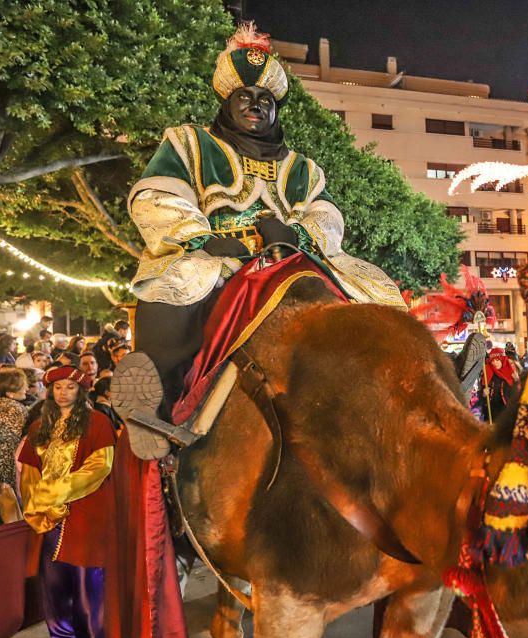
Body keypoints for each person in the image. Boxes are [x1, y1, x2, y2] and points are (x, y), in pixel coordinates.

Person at [115, 23, 405, 454]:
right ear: (227, 103)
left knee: (376, 296)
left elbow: (326, 214)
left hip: (289, 257)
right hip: (217, 259)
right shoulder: (190, 144)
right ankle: (156, 413)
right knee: (170, 298)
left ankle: (408, 383)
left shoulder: (303, 167)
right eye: (245, 97)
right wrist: (201, 238)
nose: (255, 106)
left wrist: (297, 235)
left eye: (265, 99)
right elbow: (156, 195)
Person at [18, 366, 115, 638]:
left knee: (90, 581)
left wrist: (55, 494)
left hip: (87, 510)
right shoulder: (38, 427)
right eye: (58, 387)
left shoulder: (98, 422)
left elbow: (100, 467)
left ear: (81, 391)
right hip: (48, 517)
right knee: (55, 584)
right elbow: (30, 473)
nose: (63, 393)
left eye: (70, 387)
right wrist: (37, 506)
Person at [0, 368, 30, 487]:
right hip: (10, 464)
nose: (27, 389)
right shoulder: (15, 409)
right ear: (10, 393)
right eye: (22, 386)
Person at [480, 347, 518, 421]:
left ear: (503, 359)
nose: (495, 363)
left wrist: (517, 382)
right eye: (493, 361)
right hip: (492, 412)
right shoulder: (488, 373)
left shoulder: (512, 373)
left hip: (508, 411)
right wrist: (484, 394)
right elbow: (481, 391)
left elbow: (518, 394)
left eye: (497, 360)